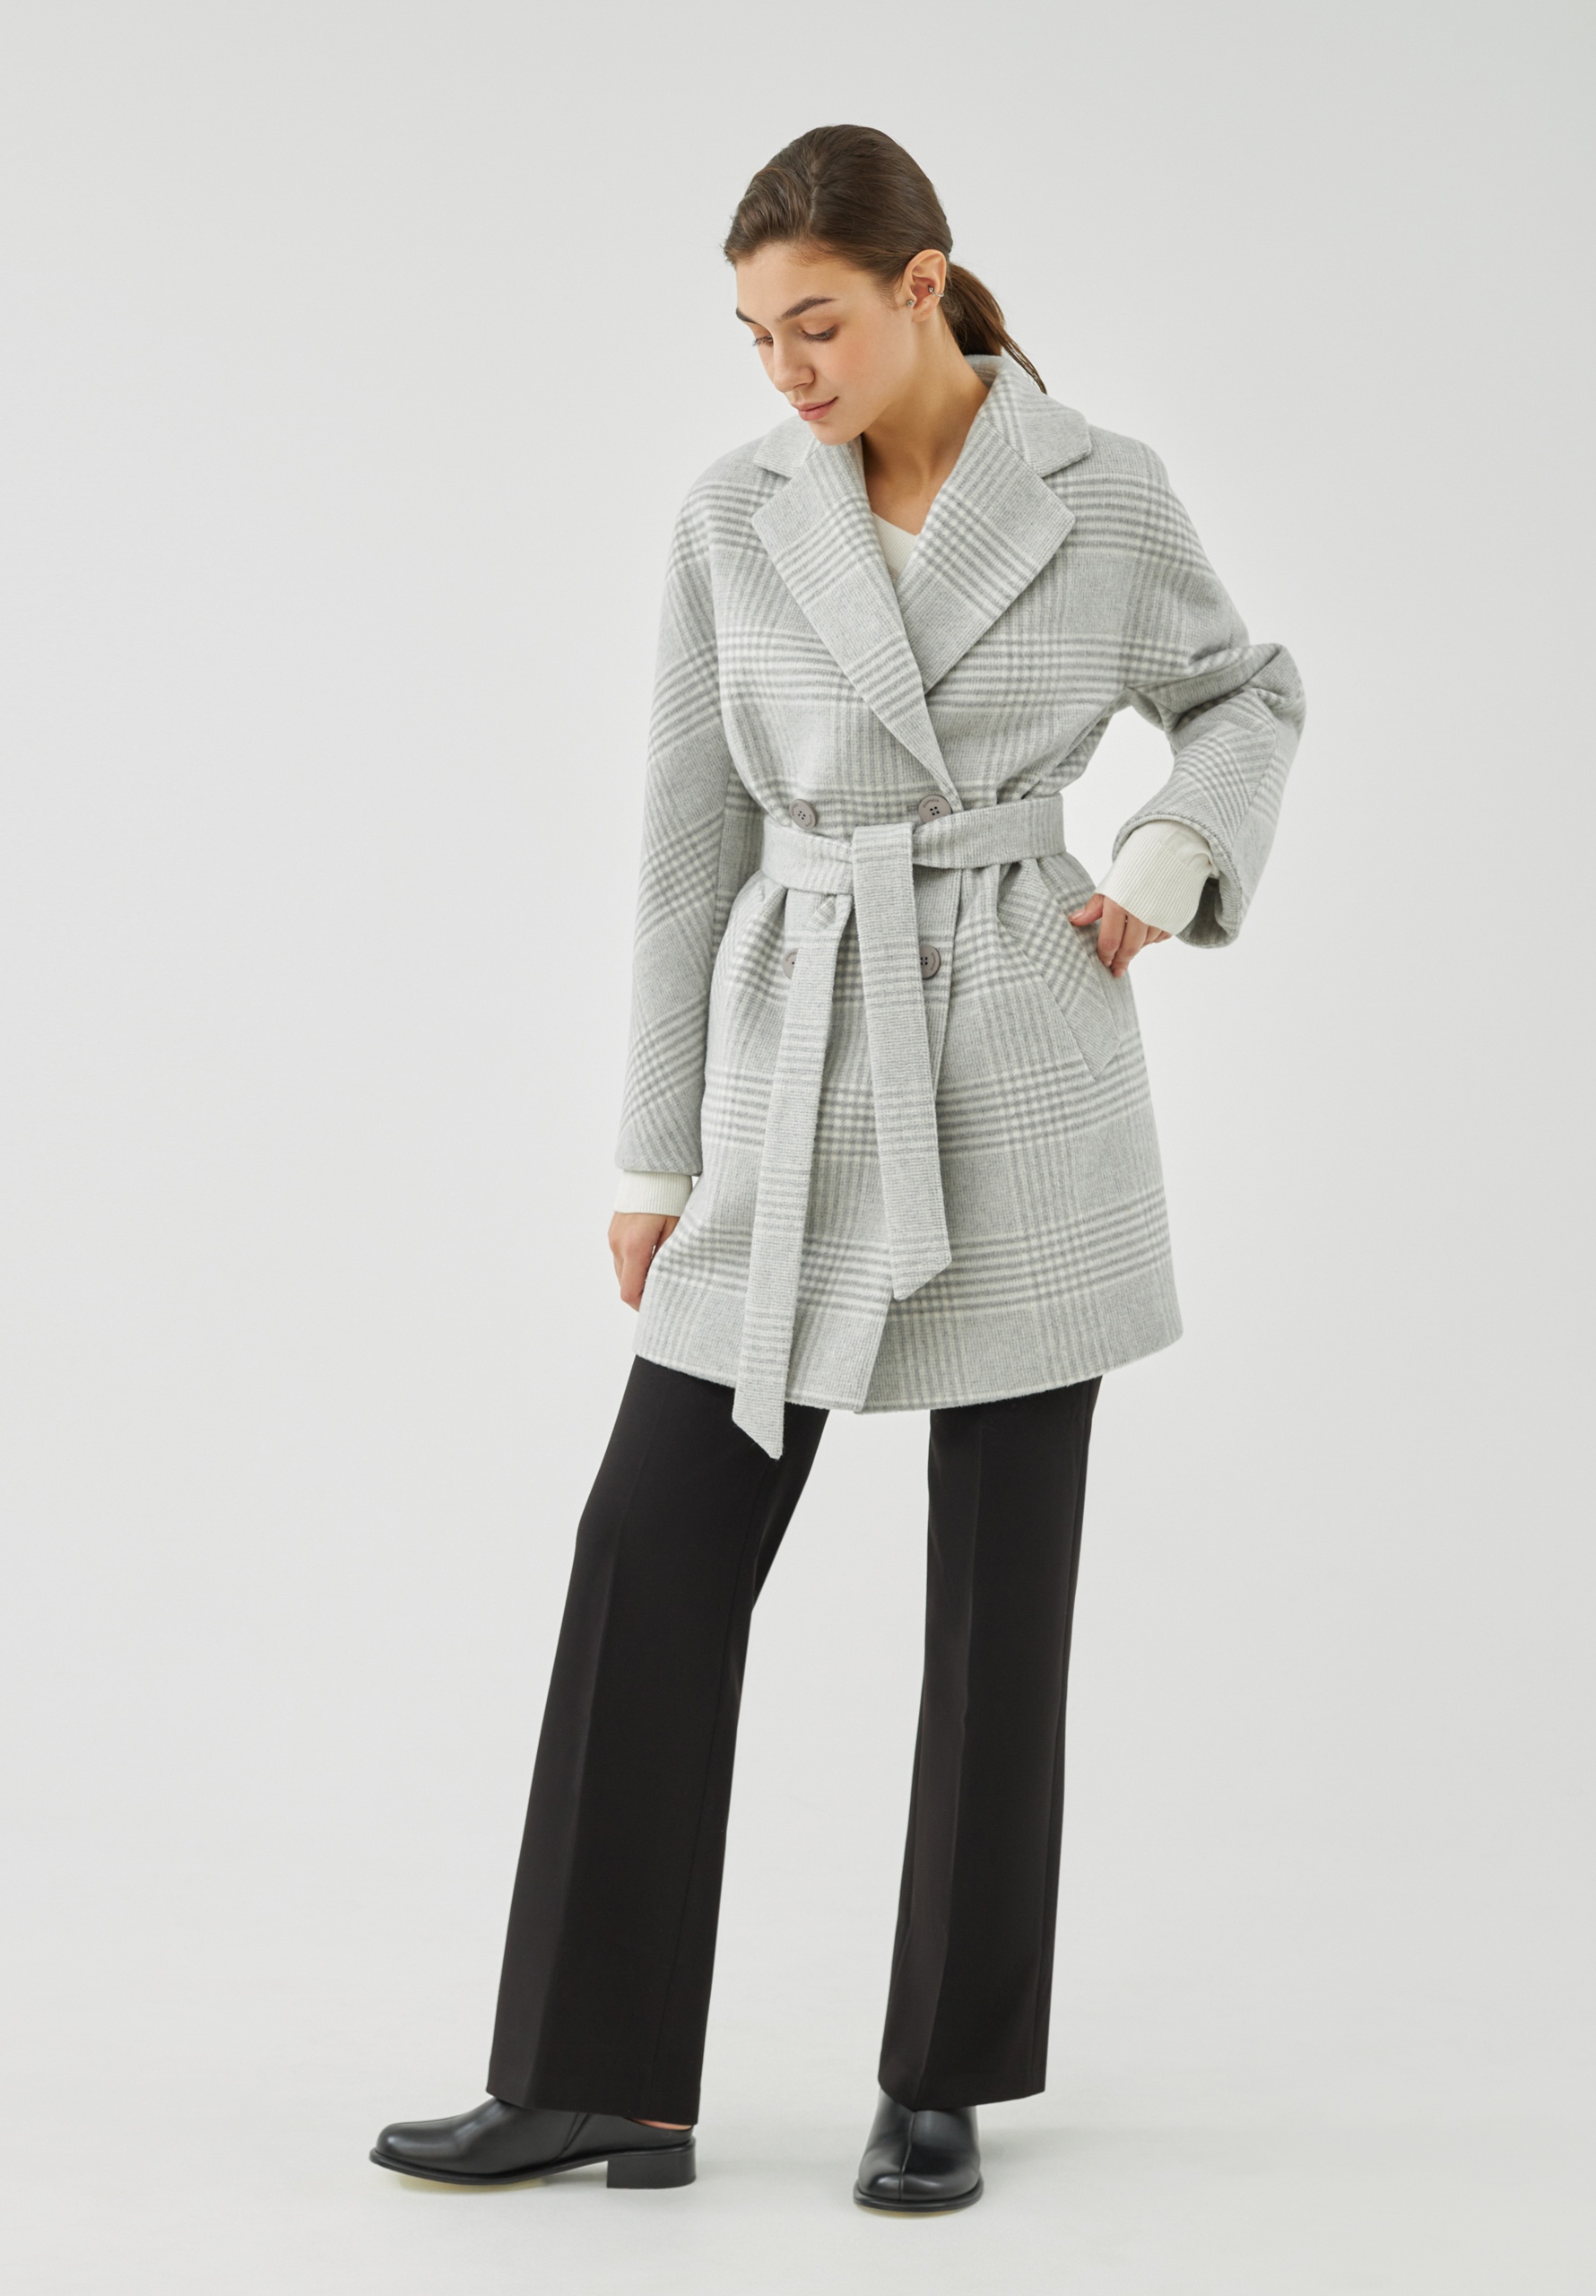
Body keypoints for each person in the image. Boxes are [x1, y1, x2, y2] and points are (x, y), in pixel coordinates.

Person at [370, 121, 1303, 2214]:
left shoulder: (1101, 489)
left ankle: (942, 2077)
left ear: (921, 284)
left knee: (999, 1600)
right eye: (753, 334)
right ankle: (596, 2075)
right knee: (650, 1544)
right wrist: (650, 1148)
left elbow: (1248, 694)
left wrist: (1169, 854)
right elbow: (685, 843)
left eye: (816, 323)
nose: (784, 369)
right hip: (792, 1061)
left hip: (1024, 1053)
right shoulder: (735, 515)